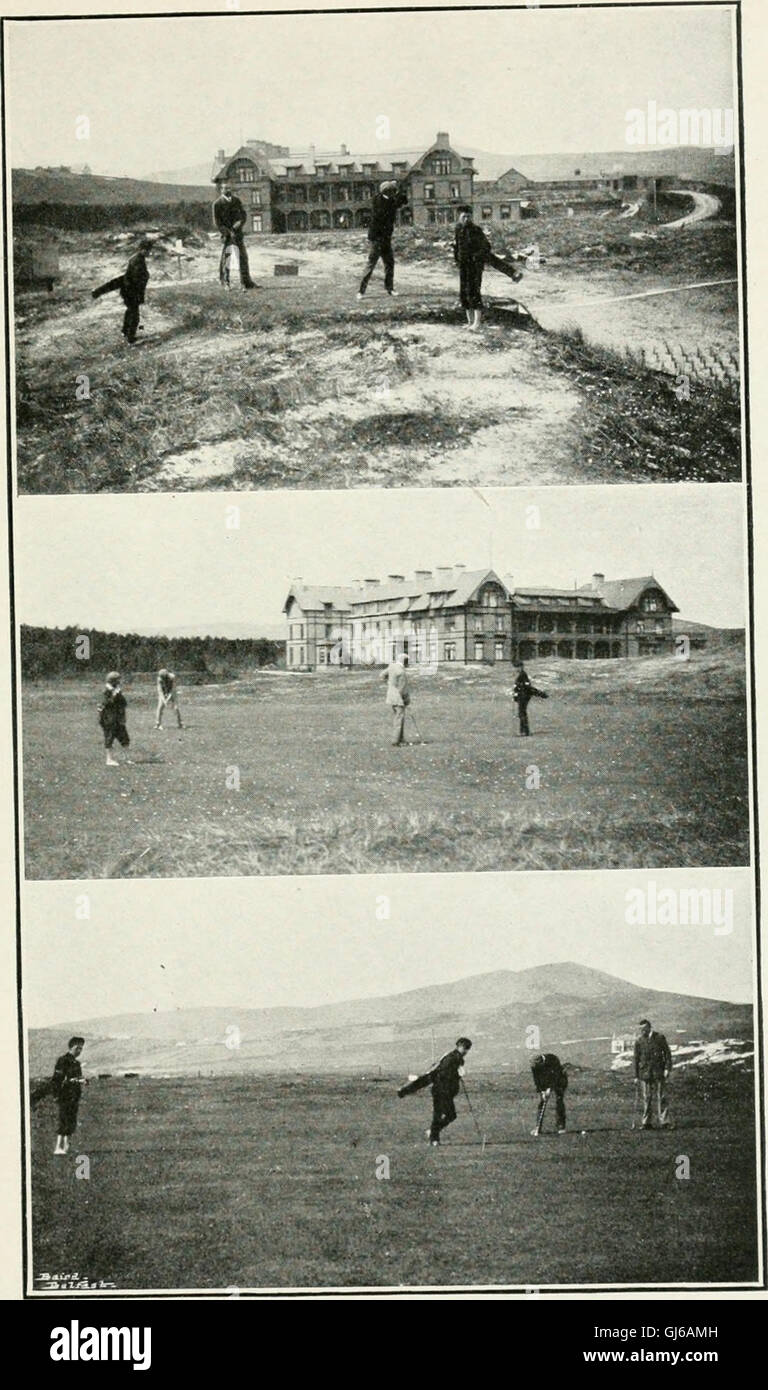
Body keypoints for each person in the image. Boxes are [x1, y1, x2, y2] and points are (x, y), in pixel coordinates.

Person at [398, 1038, 473, 1146]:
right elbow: (437, 1074)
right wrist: (457, 1074)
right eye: (465, 1048)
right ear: (459, 1046)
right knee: (447, 1115)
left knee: (445, 1115)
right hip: (441, 1090)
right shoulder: (452, 1058)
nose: (466, 1051)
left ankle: (433, 1135)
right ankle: (434, 1137)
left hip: (444, 1091)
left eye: (468, 1049)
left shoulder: (457, 1058)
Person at [91, 238, 153, 344]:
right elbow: (135, 279)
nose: (149, 252)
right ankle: (130, 337)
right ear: (142, 249)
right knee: (134, 315)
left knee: (130, 311)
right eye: (147, 250)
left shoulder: (137, 259)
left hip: (128, 290)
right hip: (131, 291)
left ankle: (125, 331)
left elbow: (123, 279)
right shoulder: (137, 260)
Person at [357, 180, 408, 299]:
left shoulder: (390, 200)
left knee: (389, 264)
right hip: (377, 239)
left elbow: (404, 200)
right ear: (388, 191)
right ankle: (361, 291)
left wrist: (399, 188)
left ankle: (389, 288)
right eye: (392, 191)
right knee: (371, 264)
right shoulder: (378, 201)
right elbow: (388, 209)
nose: (393, 193)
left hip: (386, 239)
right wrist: (396, 194)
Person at [453, 207, 492, 332]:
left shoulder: (476, 230)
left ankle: (477, 323)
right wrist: (457, 259)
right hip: (463, 266)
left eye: (468, 216)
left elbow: (486, 247)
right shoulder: (458, 229)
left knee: (474, 292)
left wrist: (476, 257)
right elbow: (457, 246)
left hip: (474, 267)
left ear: (471, 217)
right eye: (463, 216)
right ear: (459, 217)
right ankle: (469, 322)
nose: (466, 219)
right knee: (464, 293)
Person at [213, 184, 256, 290]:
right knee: (226, 258)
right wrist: (227, 232)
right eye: (225, 188)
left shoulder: (237, 201)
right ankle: (225, 282)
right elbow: (217, 222)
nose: (228, 190)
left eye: (229, 188)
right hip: (227, 236)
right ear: (221, 190)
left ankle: (246, 282)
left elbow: (243, 215)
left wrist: (240, 223)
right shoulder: (217, 204)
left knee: (243, 258)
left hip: (238, 234)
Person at [634, 1019, 673, 1129]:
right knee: (647, 1098)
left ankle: (665, 1122)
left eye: (643, 1028)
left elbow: (667, 1054)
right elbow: (636, 1059)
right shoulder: (639, 1041)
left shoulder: (659, 1038)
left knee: (662, 1097)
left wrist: (667, 1069)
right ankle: (646, 1123)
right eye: (640, 1029)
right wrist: (636, 1076)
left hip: (659, 1072)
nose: (641, 1031)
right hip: (645, 1073)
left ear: (649, 1027)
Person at [51, 1037, 85, 1155]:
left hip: (74, 1095)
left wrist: (81, 1081)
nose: (79, 1051)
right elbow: (57, 1079)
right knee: (64, 1119)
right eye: (78, 1048)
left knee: (70, 1120)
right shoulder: (63, 1061)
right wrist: (56, 1094)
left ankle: (65, 1146)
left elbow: (77, 1078)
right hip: (65, 1095)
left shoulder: (77, 1063)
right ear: (71, 1047)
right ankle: (58, 1146)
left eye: (81, 1048)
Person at [531, 1052, 569, 1135]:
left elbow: (556, 1075)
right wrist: (542, 1091)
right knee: (542, 1101)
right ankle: (538, 1127)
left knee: (559, 1100)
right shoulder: (534, 1066)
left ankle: (561, 1126)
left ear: (542, 1061)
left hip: (559, 1079)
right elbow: (536, 1080)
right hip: (545, 1080)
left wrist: (550, 1088)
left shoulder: (553, 1059)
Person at [98, 670, 129, 767]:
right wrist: (115, 695)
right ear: (114, 681)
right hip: (109, 719)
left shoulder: (116, 690)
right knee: (109, 737)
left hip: (117, 718)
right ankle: (109, 759)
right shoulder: (107, 691)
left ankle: (126, 758)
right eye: (118, 680)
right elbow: (106, 704)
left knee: (125, 738)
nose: (120, 682)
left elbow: (124, 703)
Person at [512, 660, 547, 735]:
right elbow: (517, 687)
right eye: (516, 667)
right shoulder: (520, 675)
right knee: (521, 713)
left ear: (522, 667)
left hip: (524, 696)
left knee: (522, 713)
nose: (516, 669)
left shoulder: (523, 675)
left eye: (518, 667)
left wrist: (539, 693)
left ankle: (524, 731)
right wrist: (515, 696)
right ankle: (523, 731)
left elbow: (528, 687)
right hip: (521, 696)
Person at [382, 653, 410, 746]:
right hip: (398, 698)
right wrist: (406, 700)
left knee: (398, 717)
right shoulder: (402, 672)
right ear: (405, 661)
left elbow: (382, 675)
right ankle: (396, 741)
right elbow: (403, 689)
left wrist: (390, 683)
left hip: (390, 696)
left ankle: (400, 739)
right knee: (399, 719)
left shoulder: (392, 667)